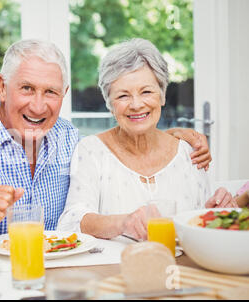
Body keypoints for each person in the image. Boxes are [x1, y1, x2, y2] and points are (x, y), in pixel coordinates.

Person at [0, 38, 212, 245]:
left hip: (55, 284)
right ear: (3, 86)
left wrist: (174, 137)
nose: (38, 106)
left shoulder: (67, 137)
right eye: (26, 89)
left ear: (63, 95)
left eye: (50, 92)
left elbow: (123, 134)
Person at [57, 38, 237, 240]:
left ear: (162, 95)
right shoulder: (91, 151)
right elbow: (71, 222)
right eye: (123, 96)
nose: (136, 104)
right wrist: (124, 223)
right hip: (115, 269)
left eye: (146, 92)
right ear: (110, 104)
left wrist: (216, 214)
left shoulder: (190, 152)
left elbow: (200, 224)